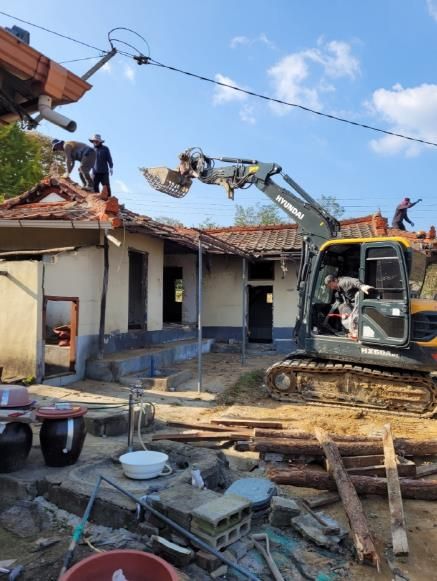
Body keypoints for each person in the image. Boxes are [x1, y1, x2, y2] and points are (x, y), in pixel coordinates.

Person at [324, 275, 374, 339]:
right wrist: (327, 317)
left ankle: (353, 331)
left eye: (331, 285)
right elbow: (338, 301)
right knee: (342, 308)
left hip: (361, 303)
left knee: (344, 309)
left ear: (335, 280)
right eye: (330, 287)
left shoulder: (343, 282)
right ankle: (349, 331)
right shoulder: (338, 289)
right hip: (354, 304)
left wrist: (362, 286)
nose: (332, 288)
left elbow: (354, 281)